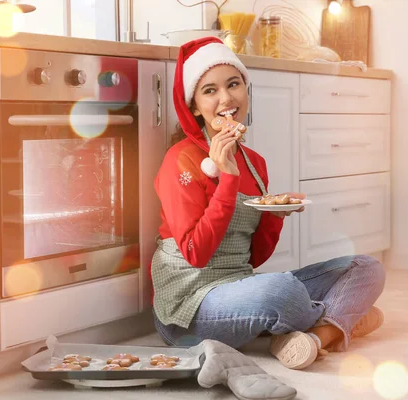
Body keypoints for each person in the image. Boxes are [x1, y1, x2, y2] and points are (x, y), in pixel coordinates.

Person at [150, 37, 386, 370]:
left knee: (366, 267)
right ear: (193, 106)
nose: (226, 99)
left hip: (239, 286)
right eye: (210, 91)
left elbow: (255, 256)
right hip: (190, 308)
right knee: (281, 290)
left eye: (234, 85)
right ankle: (340, 317)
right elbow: (195, 253)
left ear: (247, 90)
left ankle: (320, 334)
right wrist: (227, 181)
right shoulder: (181, 161)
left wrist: (277, 214)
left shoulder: (254, 162)